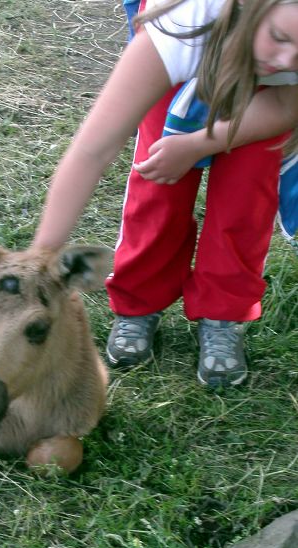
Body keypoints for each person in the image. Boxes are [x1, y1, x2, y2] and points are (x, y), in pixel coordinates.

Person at [33, 0, 298, 388]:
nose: (287, 58)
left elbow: (286, 103)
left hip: (266, 90)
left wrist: (199, 143)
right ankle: (138, 304)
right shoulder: (181, 26)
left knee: (247, 199)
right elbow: (93, 150)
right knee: (158, 183)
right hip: (201, 45)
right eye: (279, 37)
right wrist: (40, 260)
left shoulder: (288, 57)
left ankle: (223, 312)